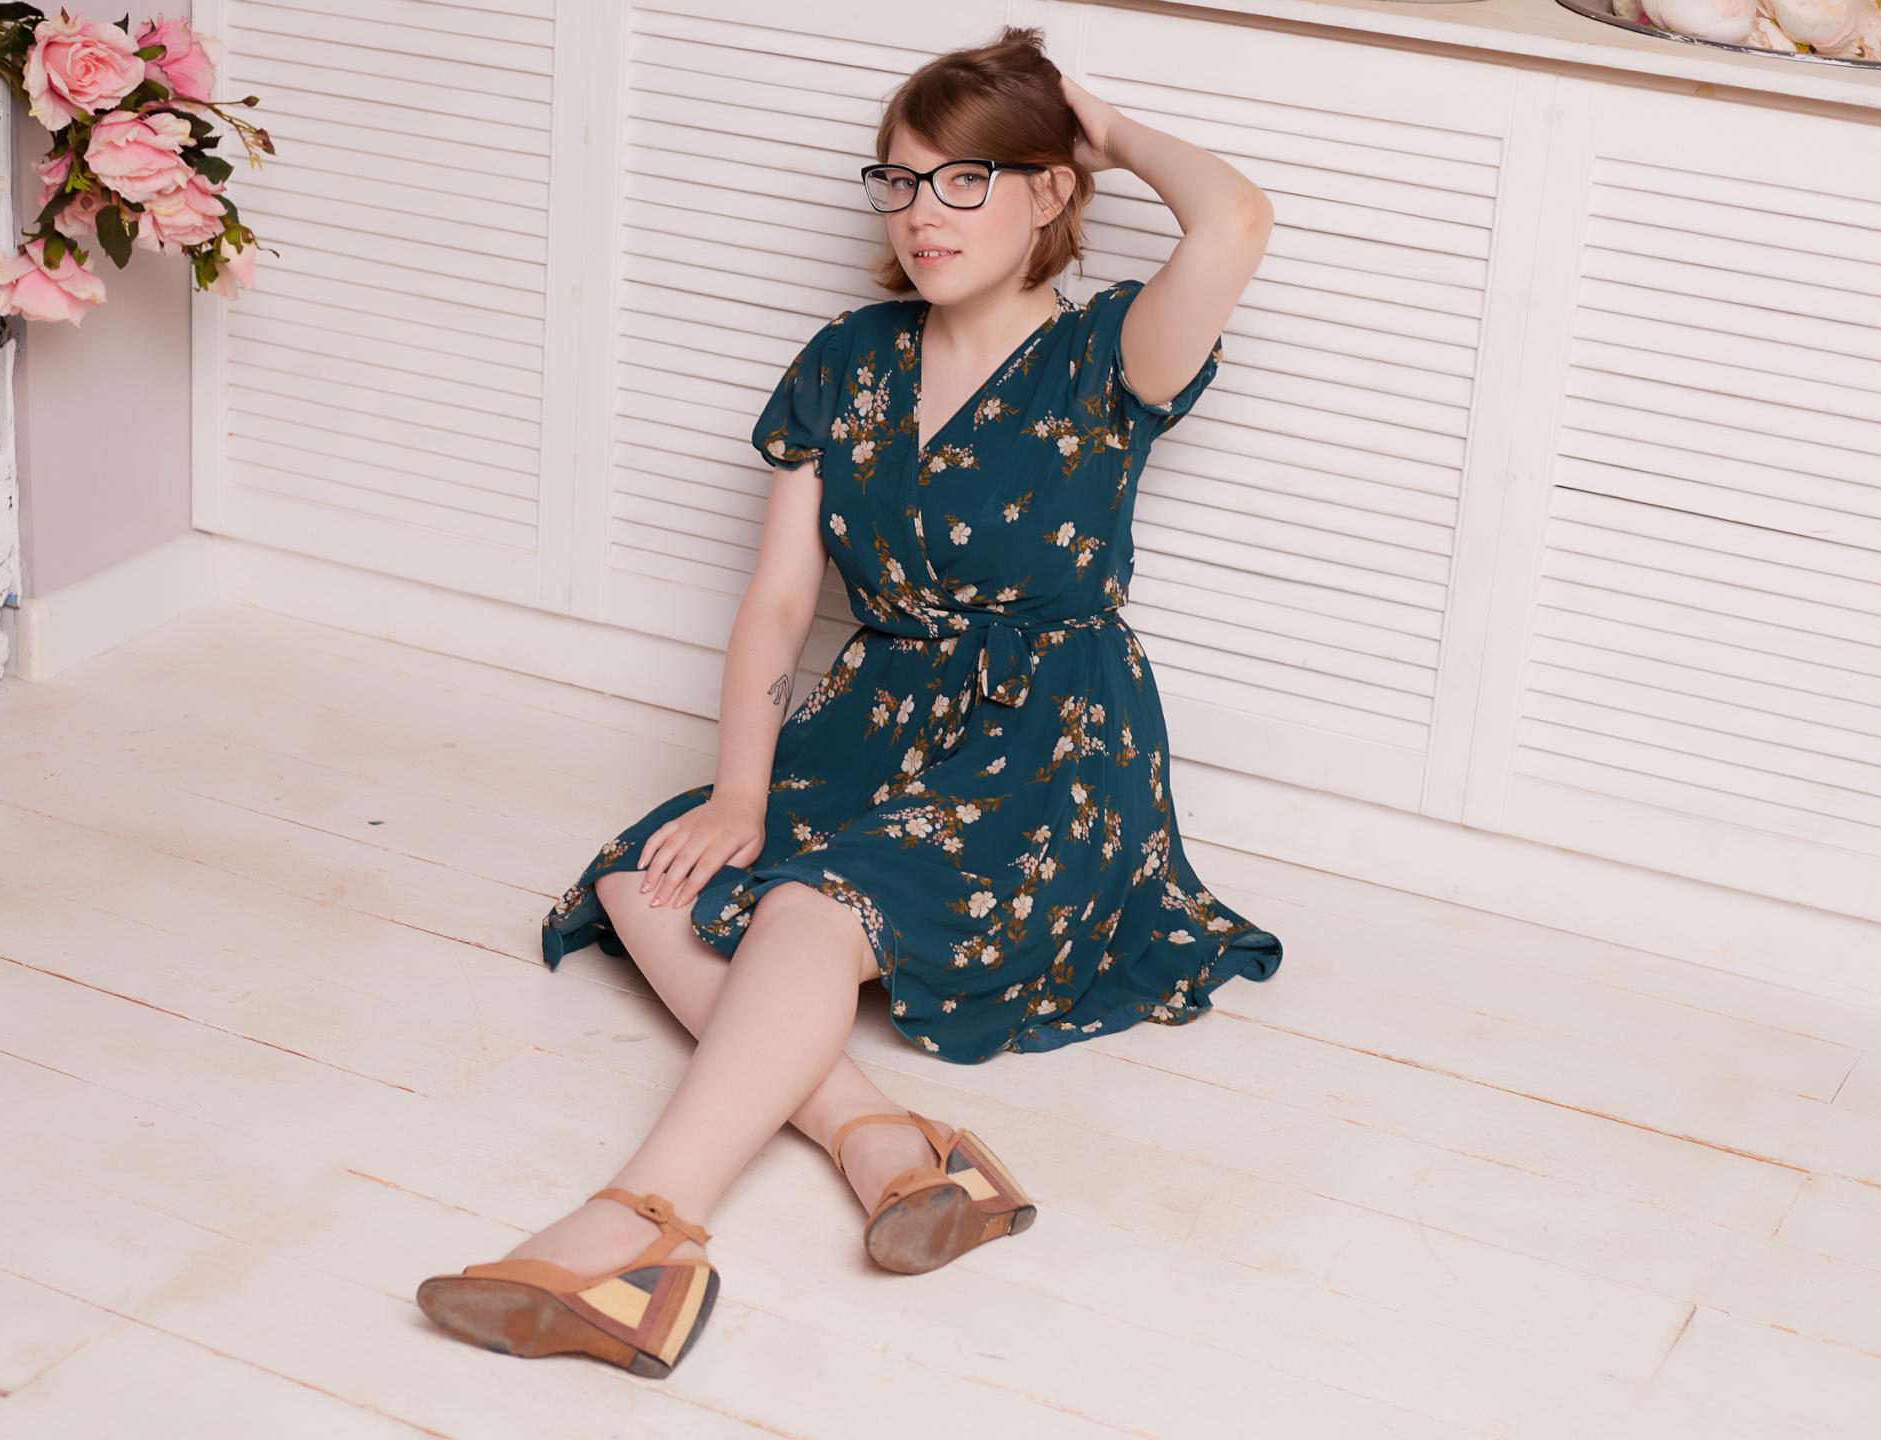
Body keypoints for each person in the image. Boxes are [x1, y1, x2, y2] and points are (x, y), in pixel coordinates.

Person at [415, 25, 1283, 1377]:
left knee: (809, 910)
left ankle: (641, 1229)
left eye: (966, 180)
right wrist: (742, 790)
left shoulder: (1113, 354)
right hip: (877, 718)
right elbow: (777, 602)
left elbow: (1233, 217)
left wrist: (1100, 127)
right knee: (651, 879)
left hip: (1050, 744)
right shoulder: (848, 358)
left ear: (1052, 192)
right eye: (900, 181)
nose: (923, 214)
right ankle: (885, 1143)